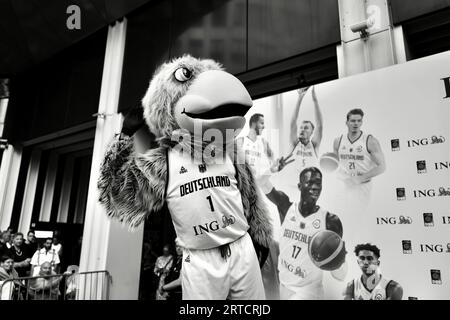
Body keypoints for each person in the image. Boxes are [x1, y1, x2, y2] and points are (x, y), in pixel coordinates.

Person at [265, 167, 346, 300]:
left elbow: (341, 274)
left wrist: (337, 260)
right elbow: (261, 181)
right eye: (310, 182)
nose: (315, 187)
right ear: (299, 186)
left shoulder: (330, 221)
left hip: (308, 292)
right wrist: (272, 169)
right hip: (284, 286)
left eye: (318, 183)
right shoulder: (285, 207)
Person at [332, 109, 386, 206]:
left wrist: (359, 179)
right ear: (347, 122)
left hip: (361, 186)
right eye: (353, 121)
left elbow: (382, 167)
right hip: (343, 184)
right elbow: (335, 165)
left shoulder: (370, 141)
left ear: (362, 122)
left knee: (357, 216)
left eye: (359, 121)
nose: (356, 123)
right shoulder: (338, 141)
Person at [280, 87, 324, 200]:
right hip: (291, 188)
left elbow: (320, 125)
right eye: (301, 128)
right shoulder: (294, 143)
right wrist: (300, 98)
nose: (302, 130)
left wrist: (315, 101)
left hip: (308, 190)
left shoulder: (314, 145)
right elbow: (293, 122)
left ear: (311, 132)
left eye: (306, 128)